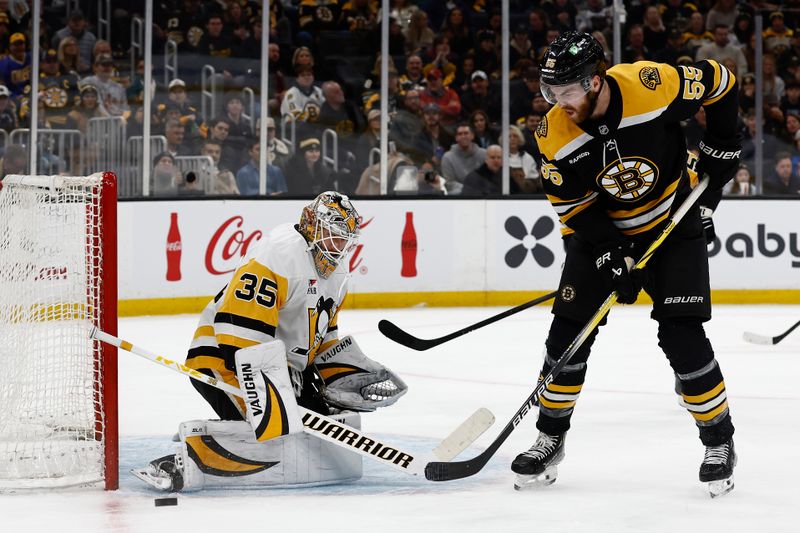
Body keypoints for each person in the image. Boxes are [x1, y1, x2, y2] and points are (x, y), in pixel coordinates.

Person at [511, 32, 740, 498]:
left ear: (595, 81)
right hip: (602, 234)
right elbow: (574, 208)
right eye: (549, 91)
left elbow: (722, 83)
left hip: (674, 224)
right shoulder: (552, 133)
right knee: (567, 338)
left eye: (566, 91)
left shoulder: (651, 84)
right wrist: (612, 252)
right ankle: (550, 437)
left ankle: (719, 442)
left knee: (682, 335)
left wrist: (723, 143)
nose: (556, 102)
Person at [132, 192, 407, 491]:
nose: (339, 247)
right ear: (312, 227)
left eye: (346, 239)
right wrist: (277, 385)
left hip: (280, 369)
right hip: (222, 362)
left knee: (320, 431)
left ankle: (230, 428)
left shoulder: (338, 273)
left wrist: (349, 373)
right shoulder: (278, 255)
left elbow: (322, 338)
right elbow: (239, 333)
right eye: (333, 236)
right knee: (277, 429)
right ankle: (186, 457)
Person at [440, 123, 486, 193]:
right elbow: (449, 183)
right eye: (460, 134)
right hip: (458, 198)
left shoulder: (484, 154)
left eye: (466, 133)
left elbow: (488, 179)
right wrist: (469, 190)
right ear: (456, 138)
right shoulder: (447, 158)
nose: (463, 136)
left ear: (472, 136)